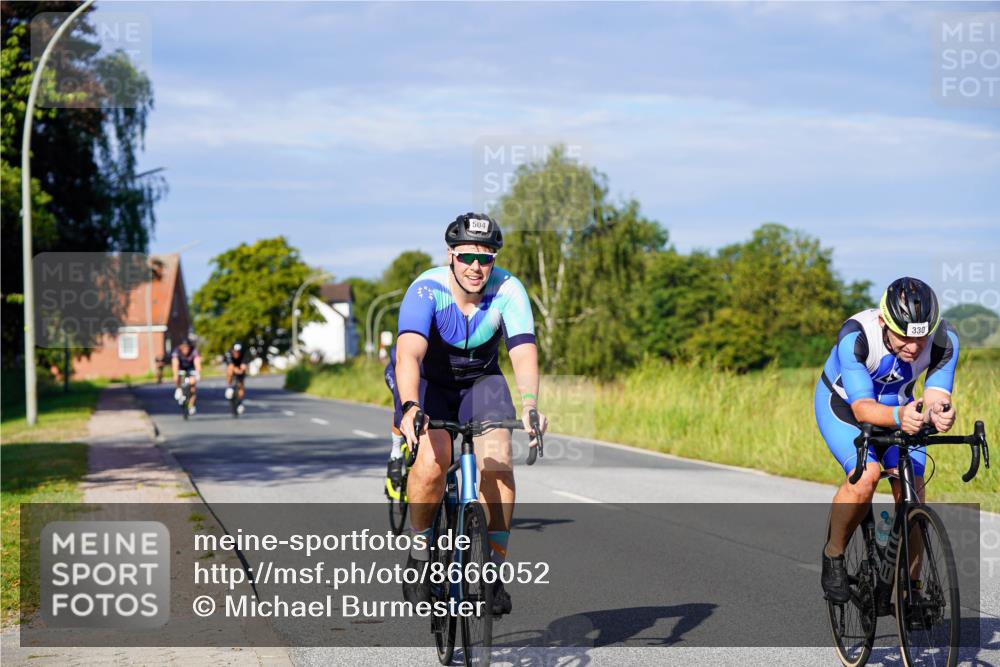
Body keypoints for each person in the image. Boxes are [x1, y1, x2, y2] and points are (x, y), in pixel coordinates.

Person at [386, 212, 548, 616]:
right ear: (451, 255)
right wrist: (409, 408)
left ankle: (493, 574)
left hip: (481, 382)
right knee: (432, 461)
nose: (477, 267)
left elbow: (523, 350)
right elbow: (408, 354)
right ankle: (421, 555)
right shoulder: (427, 289)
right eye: (467, 257)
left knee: (499, 462)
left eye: (486, 258)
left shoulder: (509, 289)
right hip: (430, 384)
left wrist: (529, 405)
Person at [815, 277, 959, 603]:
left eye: (920, 339)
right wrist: (899, 417)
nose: (913, 346)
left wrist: (941, 413)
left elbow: (936, 394)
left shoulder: (945, 340)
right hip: (844, 407)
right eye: (904, 337)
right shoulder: (855, 336)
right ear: (883, 321)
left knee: (912, 493)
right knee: (866, 477)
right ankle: (834, 552)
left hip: (899, 407)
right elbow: (863, 408)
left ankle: (912, 588)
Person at [172, 337, 202, 416]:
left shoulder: (194, 351)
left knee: (192, 387)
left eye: (187, 347)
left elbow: (197, 362)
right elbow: (175, 364)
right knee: (176, 377)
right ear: (181, 347)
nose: (185, 349)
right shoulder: (177, 351)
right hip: (181, 368)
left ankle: (191, 405)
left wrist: (198, 373)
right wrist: (175, 374)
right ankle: (178, 389)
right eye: (184, 347)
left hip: (191, 368)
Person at [225, 343, 249, 414]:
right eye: (235, 352)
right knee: (230, 371)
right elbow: (231, 366)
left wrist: (242, 370)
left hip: (240, 367)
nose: (236, 353)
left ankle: (240, 402)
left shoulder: (244, 353)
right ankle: (229, 387)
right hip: (233, 366)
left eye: (238, 352)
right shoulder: (229, 353)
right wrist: (236, 370)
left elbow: (244, 365)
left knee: (241, 385)